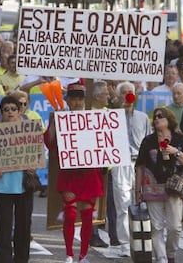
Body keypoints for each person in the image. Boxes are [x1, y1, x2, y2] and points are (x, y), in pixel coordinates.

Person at [44, 82, 103, 263]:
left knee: (87, 216)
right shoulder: (60, 118)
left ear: (84, 100)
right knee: (69, 213)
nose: (76, 102)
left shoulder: (93, 118)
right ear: (68, 101)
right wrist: (55, 121)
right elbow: (49, 141)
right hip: (69, 174)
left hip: (89, 174)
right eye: (73, 99)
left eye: (79, 98)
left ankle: (83, 255)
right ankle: (69, 254)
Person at [135, 108, 183, 263]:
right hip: (152, 188)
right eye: (155, 117)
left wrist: (176, 152)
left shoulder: (179, 139)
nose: (157, 119)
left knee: (175, 227)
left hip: (173, 189)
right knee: (156, 227)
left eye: (160, 117)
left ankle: (171, 254)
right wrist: (137, 191)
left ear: (169, 119)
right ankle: (161, 258)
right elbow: (140, 166)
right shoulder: (148, 141)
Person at [0, 95, 34, 263]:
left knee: (23, 227)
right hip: (3, 186)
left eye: (13, 109)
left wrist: (33, 165)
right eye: (5, 109)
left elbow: (38, 152)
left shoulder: (29, 129)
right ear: (1, 112)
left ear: (19, 110)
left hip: (24, 184)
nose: (10, 112)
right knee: (3, 229)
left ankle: (21, 259)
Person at [113, 81, 152, 257]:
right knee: (122, 203)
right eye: (124, 93)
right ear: (119, 96)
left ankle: (141, 238)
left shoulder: (143, 117)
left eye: (130, 93)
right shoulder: (113, 116)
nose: (128, 96)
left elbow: (148, 142)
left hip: (139, 163)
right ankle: (124, 243)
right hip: (120, 162)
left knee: (141, 202)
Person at [90, 80, 119, 247]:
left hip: (106, 166)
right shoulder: (88, 113)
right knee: (94, 203)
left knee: (111, 203)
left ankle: (114, 235)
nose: (108, 96)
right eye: (106, 94)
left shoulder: (110, 113)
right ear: (97, 96)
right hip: (92, 166)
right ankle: (93, 234)